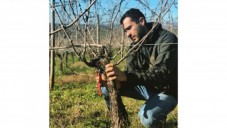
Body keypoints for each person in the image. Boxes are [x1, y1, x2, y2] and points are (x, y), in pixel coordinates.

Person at [96, 8, 178, 128]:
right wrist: (116, 80)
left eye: (129, 28)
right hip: (147, 87)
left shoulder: (167, 39)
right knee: (107, 87)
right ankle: (122, 122)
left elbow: (161, 74)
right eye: (125, 31)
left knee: (148, 118)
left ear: (141, 21)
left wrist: (126, 76)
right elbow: (131, 73)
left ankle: (159, 118)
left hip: (168, 90)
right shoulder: (134, 47)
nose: (127, 34)